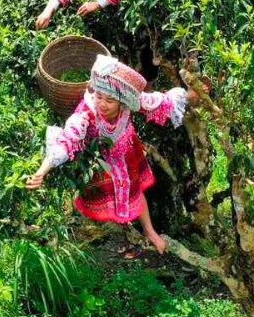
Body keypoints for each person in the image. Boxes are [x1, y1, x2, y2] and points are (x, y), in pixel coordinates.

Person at [25, 55, 191, 255]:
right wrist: (42, 171)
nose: (102, 104)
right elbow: (67, 140)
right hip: (97, 159)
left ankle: (149, 231)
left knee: (135, 190)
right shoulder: (86, 112)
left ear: (122, 102)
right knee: (97, 196)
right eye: (99, 97)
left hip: (126, 150)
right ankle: (87, 235)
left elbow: (158, 101)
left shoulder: (131, 101)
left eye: (109, 100)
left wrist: (190, 95)